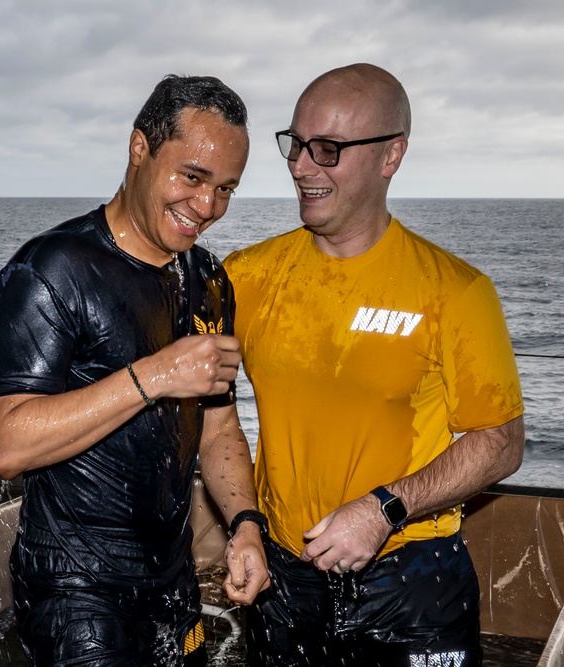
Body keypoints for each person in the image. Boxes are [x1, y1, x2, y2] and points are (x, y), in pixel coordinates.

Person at [224, 63, 525, 666]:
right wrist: (245, 524)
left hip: (413, 582)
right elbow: (211, 414)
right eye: (297, 144)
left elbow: (501, 441)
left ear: (391, 156)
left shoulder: (456, 291)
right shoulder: (246, 277)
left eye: (328, 150)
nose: (302, 167)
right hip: (285, 578)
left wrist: (384, 508)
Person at [0, 74, 269, 667]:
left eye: (226, 189)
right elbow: (5, 444)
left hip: (172, 579)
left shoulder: (210, 282)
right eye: (192, 177)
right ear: (139, 147)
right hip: (75, 589)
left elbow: (217, 430)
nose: (208, 207)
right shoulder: (50, 269)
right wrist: (156, 375)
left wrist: (245, 524)